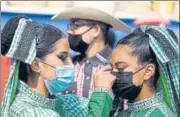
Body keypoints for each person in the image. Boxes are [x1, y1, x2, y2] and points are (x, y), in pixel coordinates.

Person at [1, 16, 116, 117]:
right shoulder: (32, 113)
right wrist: (102, 91)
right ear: (36, 65)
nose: (70, 64)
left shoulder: (60, 103)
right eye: (62, 57)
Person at [52, 7, 131, 116]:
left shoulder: (118, 67)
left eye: (75, 25)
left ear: (95, 30)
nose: (69, 31)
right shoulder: (70, 64)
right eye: (70, 25)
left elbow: (127, 109)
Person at [110, 25, 179, 117]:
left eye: (121, 68)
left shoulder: (159, 114)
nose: (112, 75)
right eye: (111, 68)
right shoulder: (124, 114)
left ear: (148, 71)